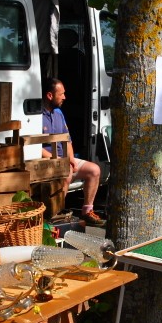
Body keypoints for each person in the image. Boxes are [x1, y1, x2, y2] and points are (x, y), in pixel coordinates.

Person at [41, 77, 106, 227]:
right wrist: (57, 160)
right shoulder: (36, 116)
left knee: (94, 170)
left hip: (64, 159)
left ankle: (87, 211)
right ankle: (55, 214)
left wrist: (70, 158)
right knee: (67, 174)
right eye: (61, 94)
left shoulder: (58, 113)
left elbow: (68, 140)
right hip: (48, 161)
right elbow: (35, 148)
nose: (65, 97)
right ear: (50, 95)